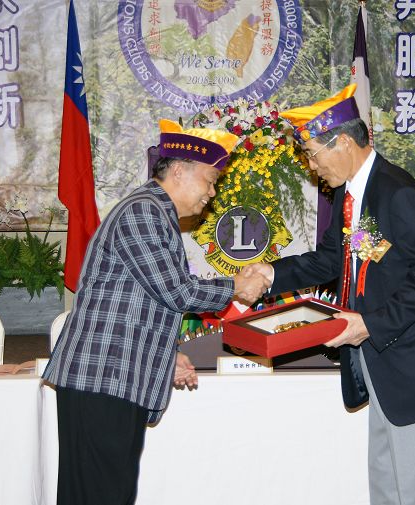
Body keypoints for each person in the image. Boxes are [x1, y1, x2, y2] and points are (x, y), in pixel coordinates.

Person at [249, 84, 415, 505]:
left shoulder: (398, 192)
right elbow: (331, 259)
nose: (311, 166)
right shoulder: (350, 194)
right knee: (387, 476)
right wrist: (271, 273)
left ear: (344, 142)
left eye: (312, 154)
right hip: (378, 357)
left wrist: (370, 323)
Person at [43, 119, 271, 505]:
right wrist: (236, 286)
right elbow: (176, 291)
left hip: (113, 377)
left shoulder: (154, 213)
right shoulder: (143, 212)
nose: (212, 193)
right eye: (210, 180)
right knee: (98, 494)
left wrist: (168, 353)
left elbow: (141, 302)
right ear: (179, 171)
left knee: (108, 493)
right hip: (102, 377)